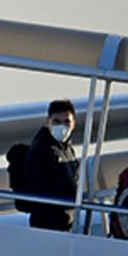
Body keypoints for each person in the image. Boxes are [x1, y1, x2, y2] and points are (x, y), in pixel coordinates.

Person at [24, 99, 79, 231]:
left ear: (74, 124)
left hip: (64, 219)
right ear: (48, 123)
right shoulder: (43, 149)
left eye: (67, 122)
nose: (62, 127)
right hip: (47, 222)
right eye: (57, 122)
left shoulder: (66, 148)